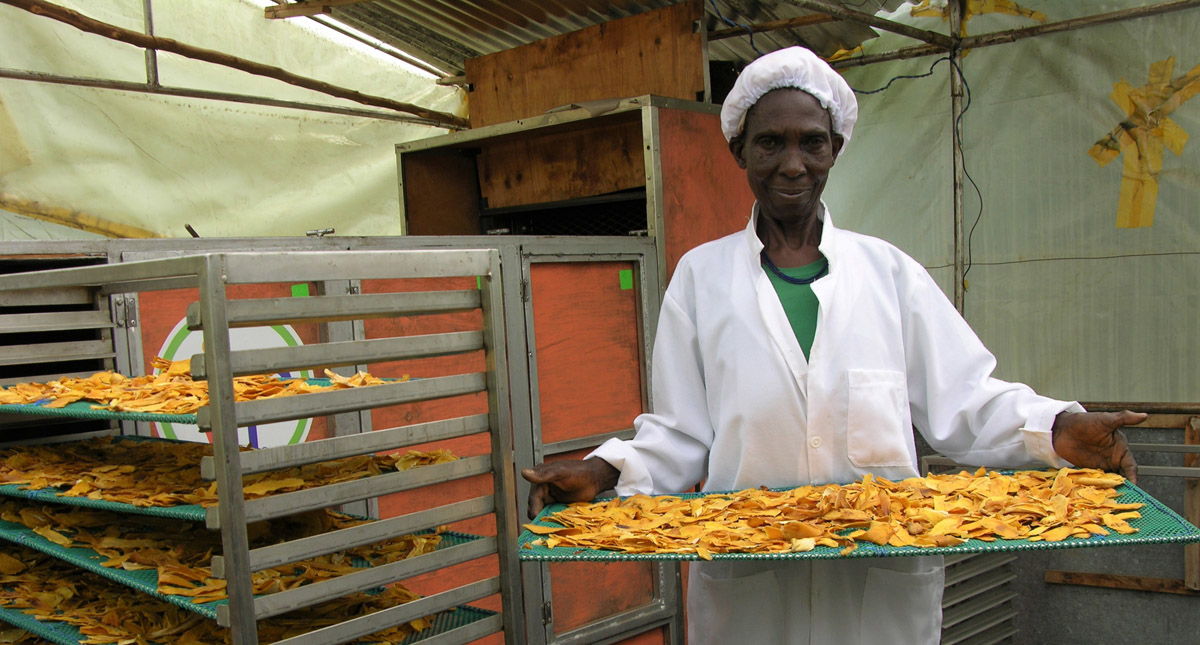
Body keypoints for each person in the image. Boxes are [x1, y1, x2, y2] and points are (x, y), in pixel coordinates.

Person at [521, 46, 1144, 645]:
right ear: (740, 149)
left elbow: (967, 401)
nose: (793, 164)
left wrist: (1060, 427)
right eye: (770, 142)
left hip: (877, 593)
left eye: (811, 142)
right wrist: (603, 470)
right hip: (753, 595)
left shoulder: (889, 274)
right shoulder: (700, 278)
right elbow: (682, 434)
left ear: (835, 149)